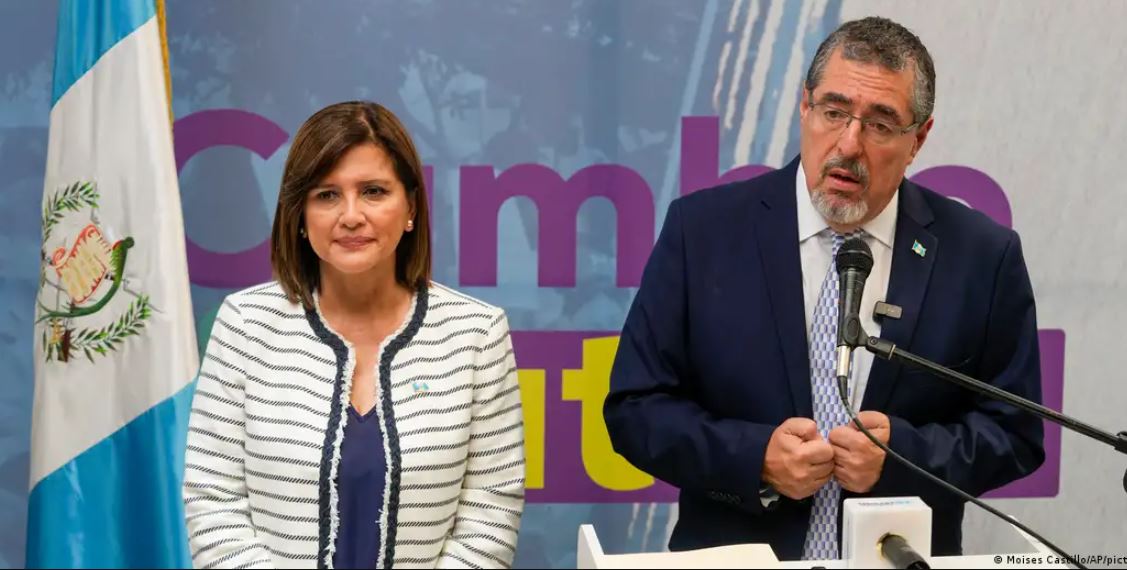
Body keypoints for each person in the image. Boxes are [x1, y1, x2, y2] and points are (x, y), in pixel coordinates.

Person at [604, 16, 1044, 561]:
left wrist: (903, 456)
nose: (849, 143)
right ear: (804, 106)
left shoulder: (981, 256)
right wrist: (755, 457)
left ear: (919, 139)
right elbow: (635, 409)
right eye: (834, 112)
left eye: (881, 124)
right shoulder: (704, 232)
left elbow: (1016, 433)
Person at [183, 101, 525, 568]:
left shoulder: (477, 334)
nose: (350, 215)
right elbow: (213, 504)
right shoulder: (244, 325)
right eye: (326, 195)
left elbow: (491, 509)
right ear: (300, 216)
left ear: (410, 208)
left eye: (373, 191)